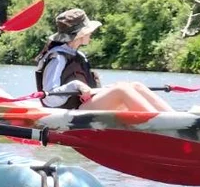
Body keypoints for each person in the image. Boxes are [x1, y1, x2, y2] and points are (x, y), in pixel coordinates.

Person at [35, 8, 173, 112]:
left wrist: (106, 89)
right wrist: (76, 85)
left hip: (83, 107)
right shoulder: (57, 57)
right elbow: (50, 98)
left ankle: (172, 118)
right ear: (79, 34)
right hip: (71, 113)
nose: (91, 33)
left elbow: (90, 91)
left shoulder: (79, 56)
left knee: (135, 85)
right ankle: (159, 122)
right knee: (121, 90)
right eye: (88, 30)